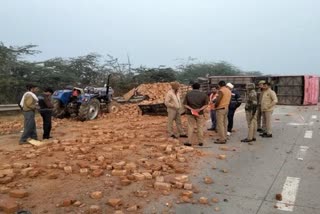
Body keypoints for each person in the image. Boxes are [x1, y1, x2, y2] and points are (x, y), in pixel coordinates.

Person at [183, 82, 208, 146]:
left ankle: (189, 141)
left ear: (192, 87)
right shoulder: (203, 94)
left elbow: (185, 104)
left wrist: (191, 109)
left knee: (190, 127)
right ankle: (200, 141)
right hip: (200, 113)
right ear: (199, 87)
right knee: (200, 127)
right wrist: (199, 109)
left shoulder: (188, 94)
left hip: (190, 113)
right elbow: (206, 104)